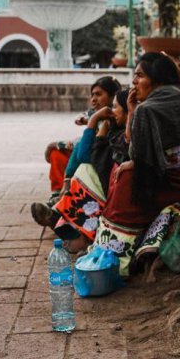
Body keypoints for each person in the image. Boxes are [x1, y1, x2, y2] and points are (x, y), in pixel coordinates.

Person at [92, 52, 180, 275]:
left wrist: (134, 114)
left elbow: (140, 159)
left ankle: (114, 256)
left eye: (139, 76)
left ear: (155, 79)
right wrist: (133, 112)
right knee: (124, 171)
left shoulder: (149, 108)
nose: (134, 82)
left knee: (125, 179)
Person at [31, 90, 131, 252]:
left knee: (85, 171)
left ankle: (78, 230)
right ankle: (62, 215)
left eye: (114, 106)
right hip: (109, 184)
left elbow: (87, 155)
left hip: (118, 191)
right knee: (80, 167)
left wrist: (94, 121)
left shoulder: (123, 135)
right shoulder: (115, 128)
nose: (94, 100)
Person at [42, 77, 122, 206]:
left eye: (99, 94)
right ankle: (57, 195)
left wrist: (92, 120)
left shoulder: (114, 117)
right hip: (89, 151)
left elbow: (85, 151)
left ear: (113, 96)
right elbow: (78, 119)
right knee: (57, 153)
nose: (93, 99)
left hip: (100, 159)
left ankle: (66, 189)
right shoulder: (94, 115)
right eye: (92, 95)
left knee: (77, 145)